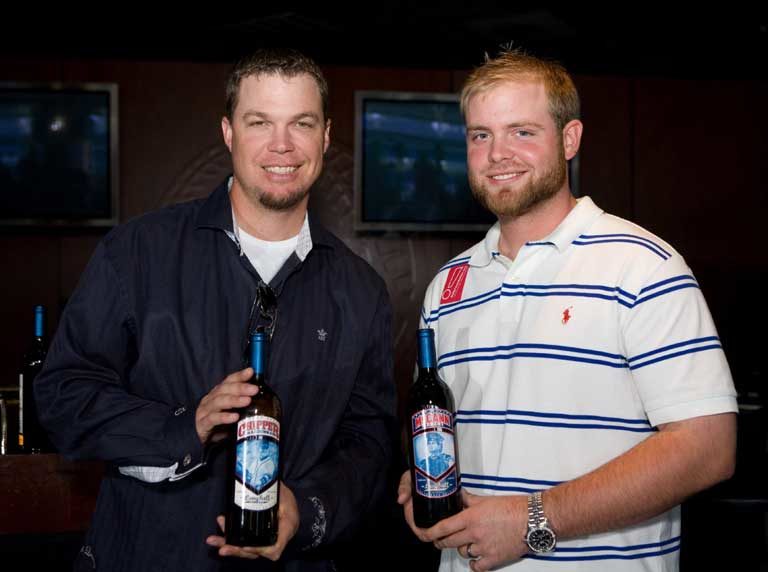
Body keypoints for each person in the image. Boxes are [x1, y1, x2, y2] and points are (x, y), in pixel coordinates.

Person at [35, 48, 396, 572]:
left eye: (301, 122)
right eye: (259, 122)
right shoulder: (137, 253)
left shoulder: (361, 291)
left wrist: (308, 508)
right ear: (228, 132)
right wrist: (187, 426)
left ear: (325, 136)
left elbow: (369, 443)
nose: (281, 144)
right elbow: (63, 395)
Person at [397, 49, 737, 572]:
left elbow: (708, 448)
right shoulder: (448, 286)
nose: (497, 154)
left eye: (523, 132)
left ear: (570, 139)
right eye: (480, 135)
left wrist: (533, 520)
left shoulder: (643, 266)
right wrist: (424, 477)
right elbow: (444, 422)